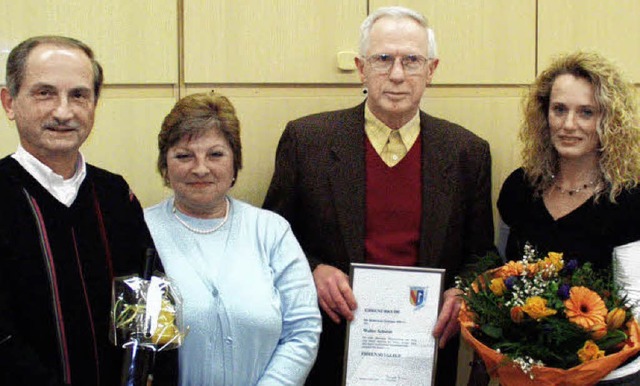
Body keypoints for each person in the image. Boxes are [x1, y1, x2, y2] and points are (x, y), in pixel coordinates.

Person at [263, 6, 495, 385]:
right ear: (361, 68)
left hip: (427, 350)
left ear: (431, 70)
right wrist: (312, 271)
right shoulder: (308, 141)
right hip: (330, 348)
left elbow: (482, 254)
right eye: (383, 59)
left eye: (412, 60)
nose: (397, 75)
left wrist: (465, 291)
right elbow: (272, 242)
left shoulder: (466, 151)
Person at [0, 36, 175, 385]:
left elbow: (154, 310)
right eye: (44, 93)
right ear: (9, 102)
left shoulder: (115, 195)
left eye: (79, 95)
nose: (63, 111)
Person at [144, 92, 321, 385]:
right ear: (165, 165)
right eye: (184, 155)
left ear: (235, 161)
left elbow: (302, 330)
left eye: (215, 154)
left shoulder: (271, 231)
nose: (200, 168)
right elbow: (129, 336)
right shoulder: (141, 230)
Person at [497, 51, 640, 385]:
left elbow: (634, 307)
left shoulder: (630, 199)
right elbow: (501, 273)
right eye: (559, 109)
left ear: (609, 121)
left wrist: (584, 367)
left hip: (610, 373)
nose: (568, 124)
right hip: (527, 371)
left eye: (586, 112)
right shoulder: (520, 187)